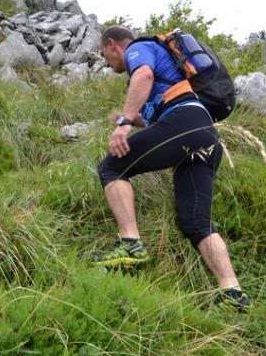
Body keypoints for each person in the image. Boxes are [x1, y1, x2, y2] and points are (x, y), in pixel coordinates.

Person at [93, 25, 251, 312]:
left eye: (104, 54)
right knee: (196, 222)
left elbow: (143, 75)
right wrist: (136, 118)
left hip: (184, 122)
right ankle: (232, 293)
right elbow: (162, 117)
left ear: (113, 44)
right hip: (205, 134)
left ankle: (130, 245)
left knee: (112, 167)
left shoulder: (138, 49)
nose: (106, 61)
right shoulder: (170, 76)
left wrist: (124, 123)